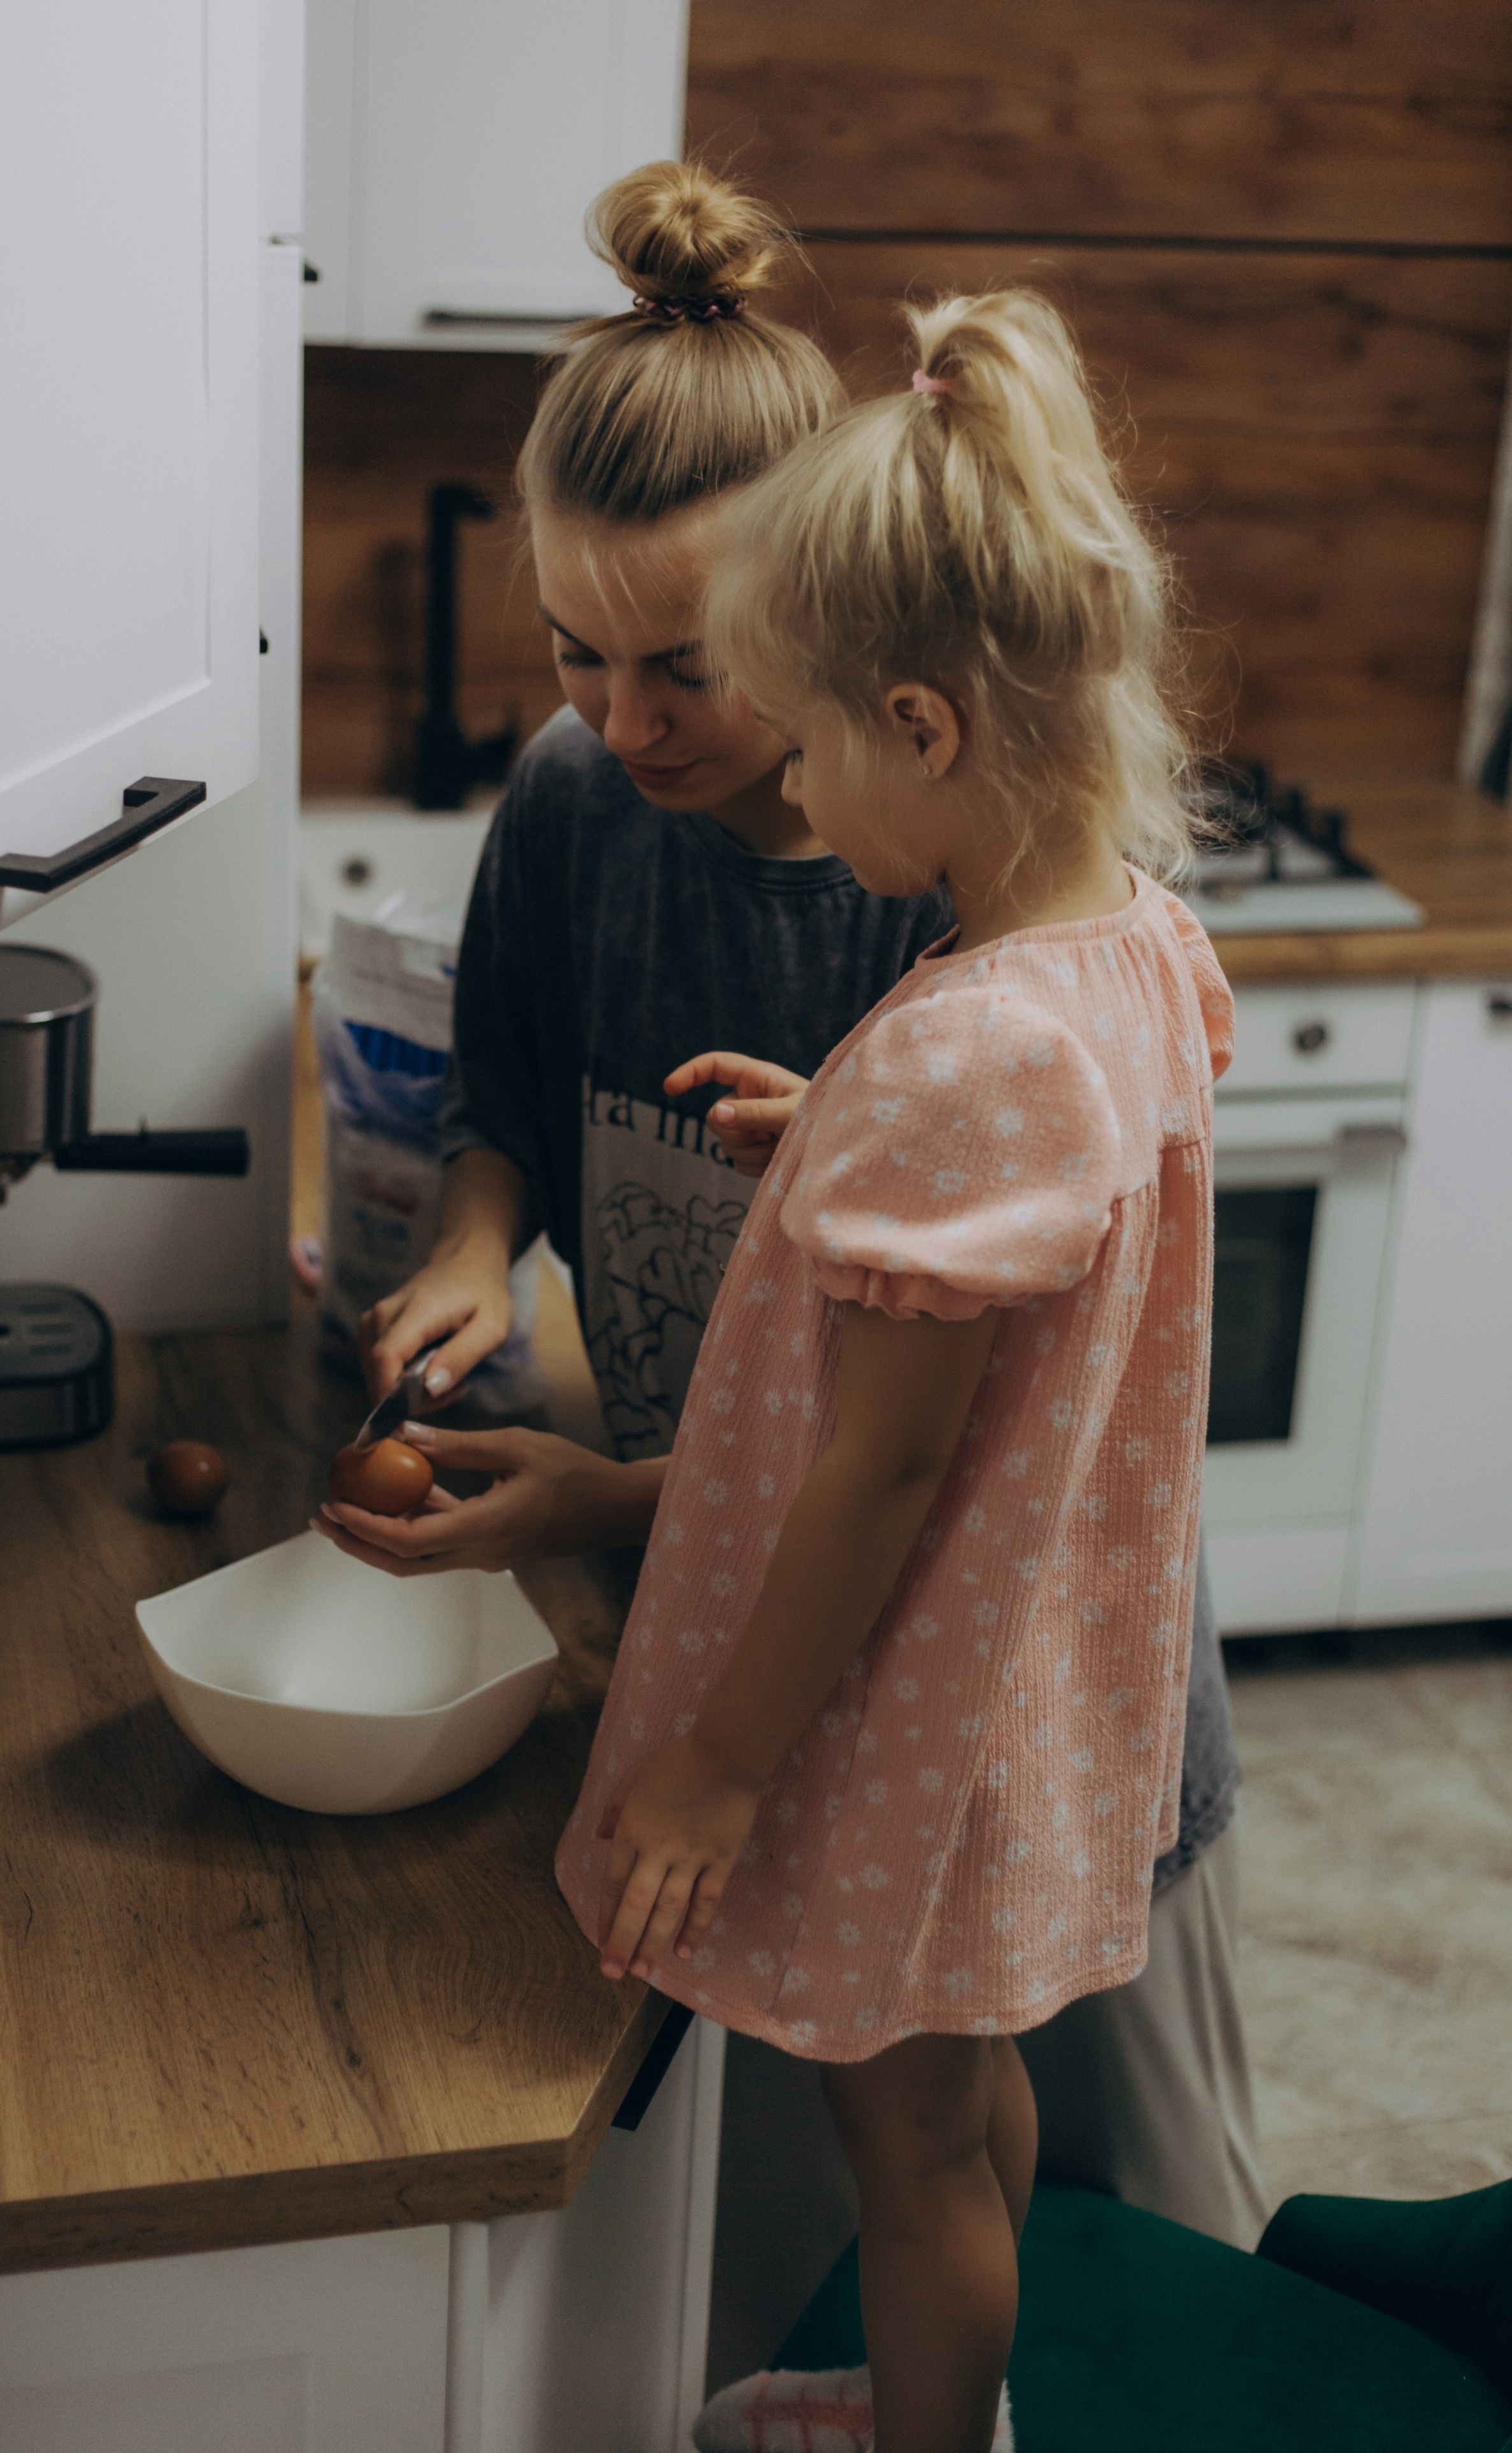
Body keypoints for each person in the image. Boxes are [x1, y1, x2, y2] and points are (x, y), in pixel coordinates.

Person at [313, 157, 1260, 2321]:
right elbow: (507, 1092)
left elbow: (934, 1451)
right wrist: (488, 1259)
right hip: (764, 1603)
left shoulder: (946, 882)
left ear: (854, 657)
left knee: (1119, 2220)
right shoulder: (582, 801)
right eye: (571, 650)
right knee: (851, 2203)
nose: (621, 719)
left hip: (995, 1667)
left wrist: (634, 1536)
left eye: (693, 668)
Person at [550, 284, 1234, 2453]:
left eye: (806, 734)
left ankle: (929, 2438)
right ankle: (956, 2400)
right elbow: (1058, 1204)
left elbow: (877, 1470)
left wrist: (719, 1767)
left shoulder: (971, 1045)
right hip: (1029, 1673)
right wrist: (834, 1129)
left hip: (895, 1689)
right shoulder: (1123, 937)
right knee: (974, 2081)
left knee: (911, 2147)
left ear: (923, 729)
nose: (794, 780)